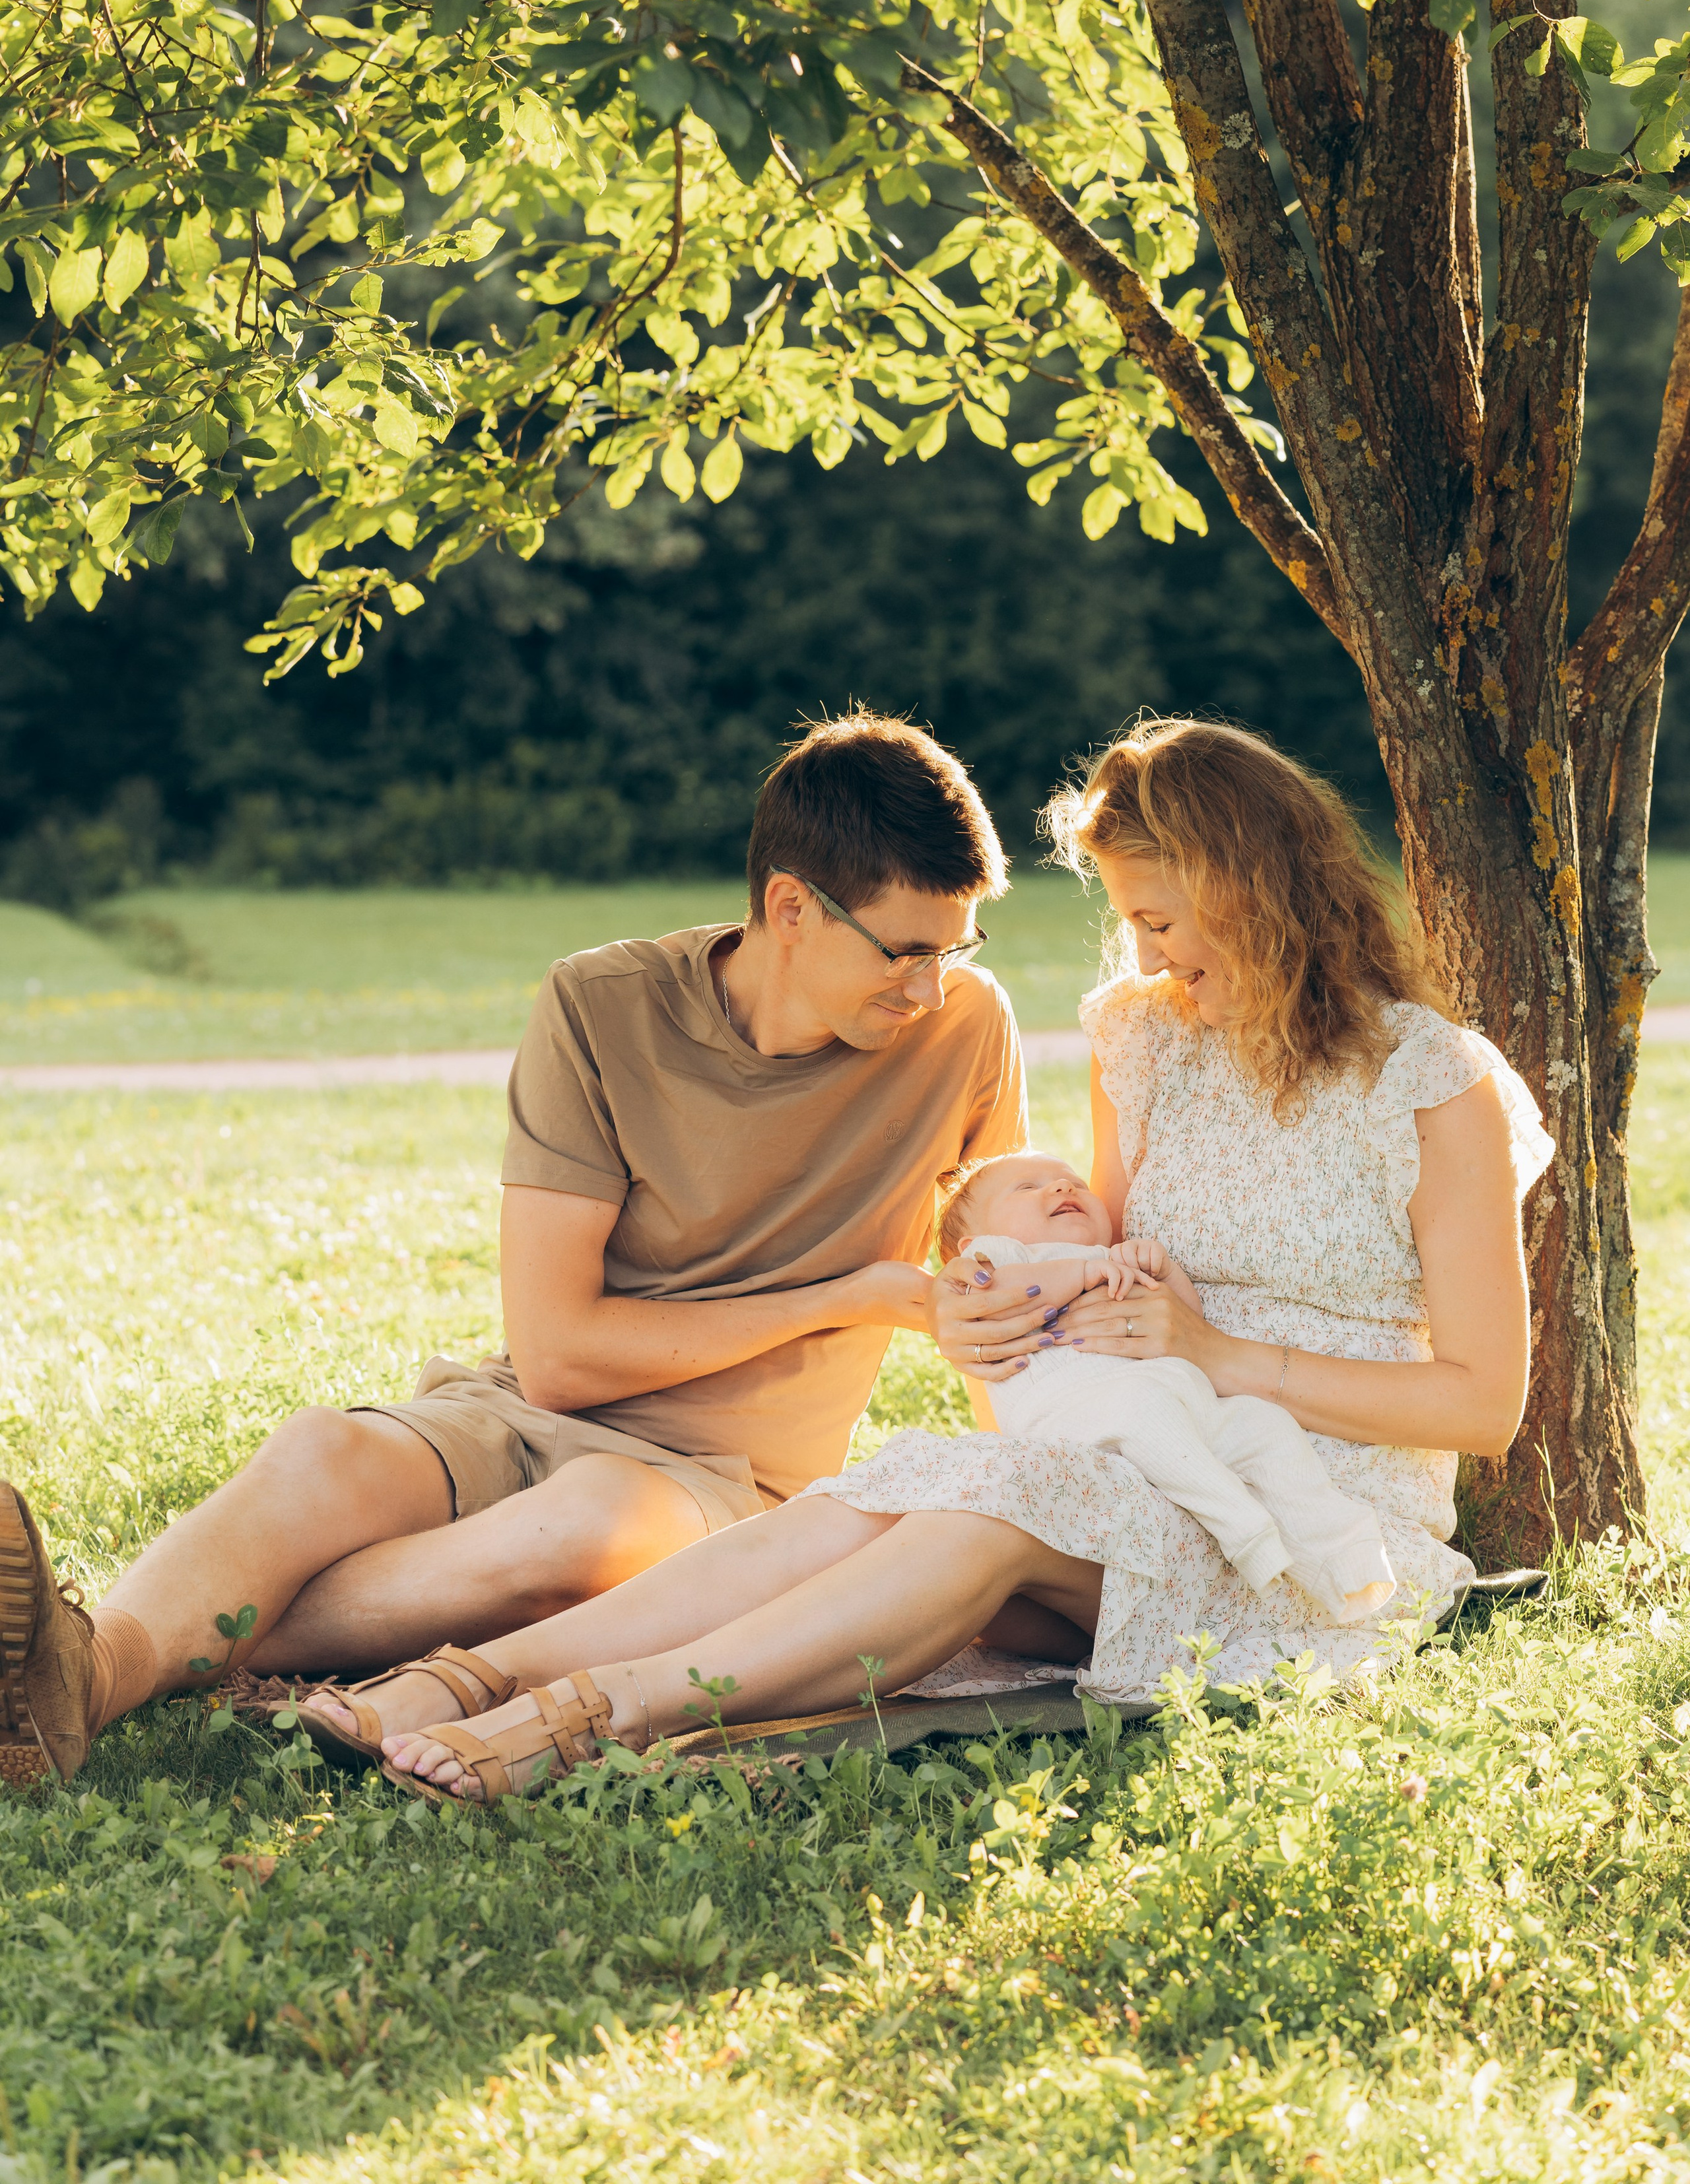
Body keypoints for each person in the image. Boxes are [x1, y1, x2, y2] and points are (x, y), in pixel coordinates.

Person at [284, 715, 1551, 1805]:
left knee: (976, 1517)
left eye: (1161, 918)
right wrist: (1019, 1312)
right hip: (1128, 1449)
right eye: (1133, 925)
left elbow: (1484, 1405)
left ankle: (596, 1712)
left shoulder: (1433, 1087)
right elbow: (1092, 1256)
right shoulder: (1149, 1042)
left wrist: (1223, 1356)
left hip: (1310, 1518)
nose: (1151, 955)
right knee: (876, 1502)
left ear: (1254, 886)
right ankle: (470, 1677)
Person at [0, 713, 1027, 1783]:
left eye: (955, 951)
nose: (932, 989)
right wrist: (847, 1294)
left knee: (573, 1534)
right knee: (320, 1450)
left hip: (729, 1479)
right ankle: (89, 1672)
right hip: (520, 1408)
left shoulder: (965, 1034)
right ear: (790, 908)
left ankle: (99, 1655)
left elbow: (1005, 1286)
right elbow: (561, 1359)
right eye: (907, 952)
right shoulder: (601, 1006)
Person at [939, 1149, 1396, 1622]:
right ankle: (1248, 1536)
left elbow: (1187, 1328)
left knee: (1267, 1428)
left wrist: (1166, 1275)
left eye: (1071, 1179)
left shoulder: (1112, 1259)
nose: (1062, 1187)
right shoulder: (999, 1263)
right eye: (1028, 1187)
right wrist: (1081, 1272)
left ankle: (1344, 1556)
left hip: (1185, 1402)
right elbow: (993, 1299)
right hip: (1080, 1422)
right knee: (1143, 1409)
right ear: (978, 1241)